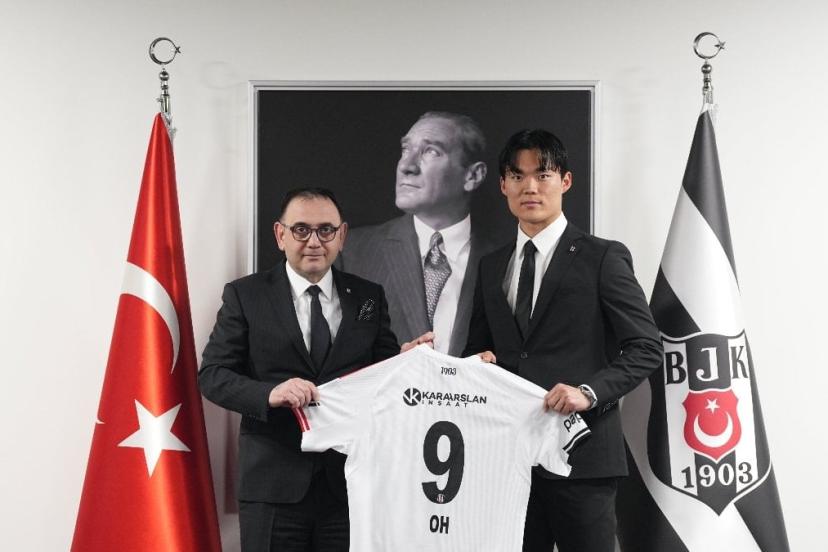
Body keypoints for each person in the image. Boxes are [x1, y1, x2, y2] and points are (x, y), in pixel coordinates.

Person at [464, 130, 663, 552]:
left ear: (565, 181)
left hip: (584, 457)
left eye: (543, 175)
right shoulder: (491, 265)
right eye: (517, 176)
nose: (530, 187)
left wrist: (588, 393)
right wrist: (462, 364)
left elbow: (646, 347)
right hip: (509, 459)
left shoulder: (603, 257)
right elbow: (477, 351)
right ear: (503, 185)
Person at [199, 187, 427, 552]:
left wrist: (406, 360)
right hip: (273, 487)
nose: (314, 241)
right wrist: (269, 393)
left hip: (349, 485)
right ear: (280, 235)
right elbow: (213, 375)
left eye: (326, 230)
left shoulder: (368, 297)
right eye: (301, 229)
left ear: (342, 235)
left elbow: (380, 372)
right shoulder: (246, 295)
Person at [341, 111, 499, 355]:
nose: (406, 166)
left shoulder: (505, 262)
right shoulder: (351, 252)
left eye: (431, 151)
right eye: (405, 149)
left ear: (473, 175)